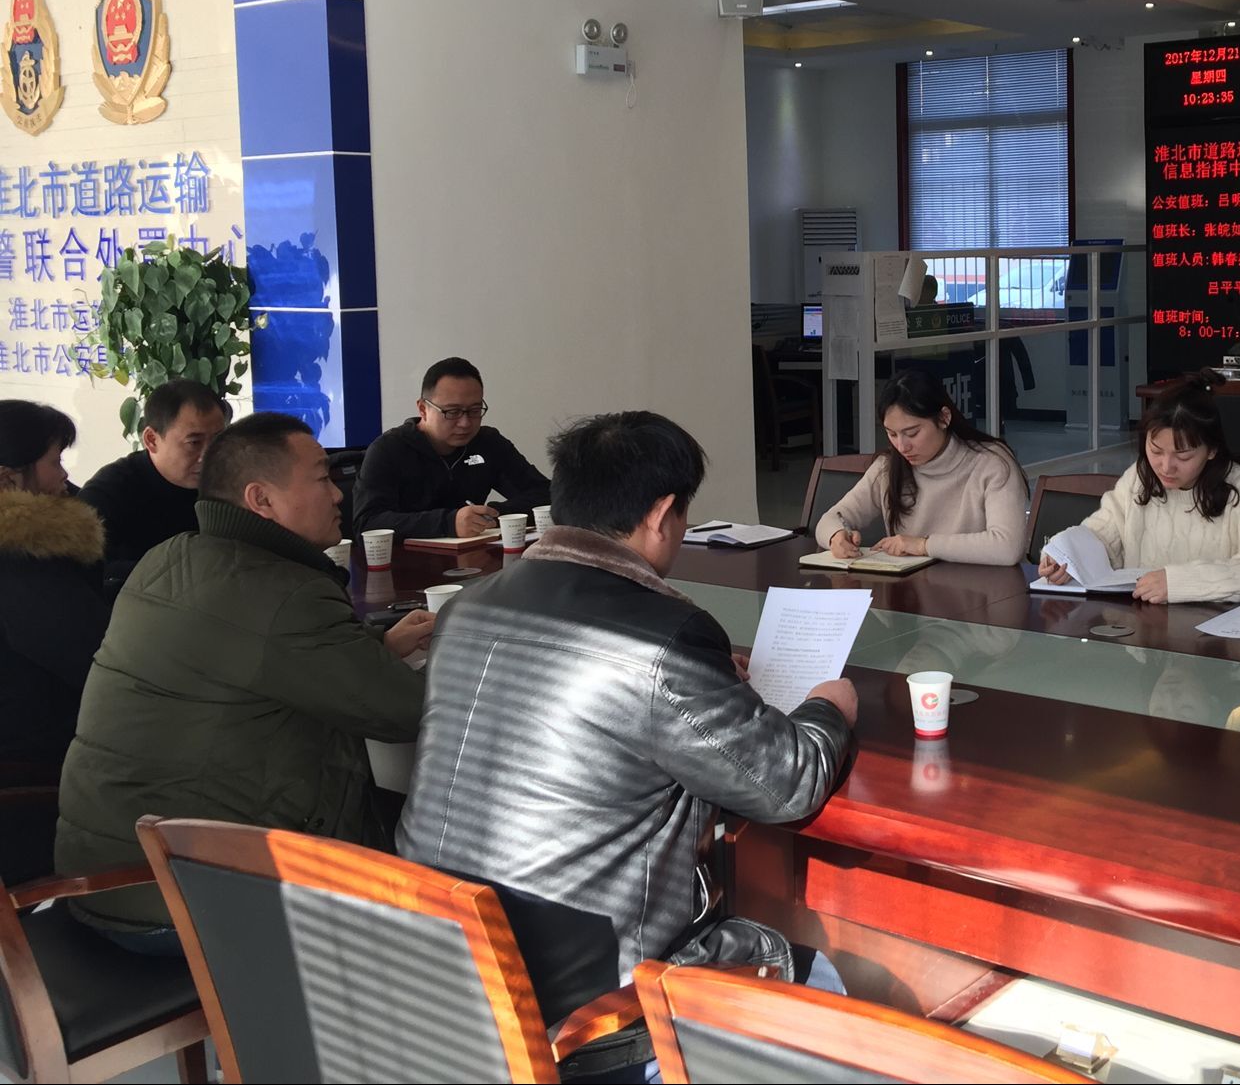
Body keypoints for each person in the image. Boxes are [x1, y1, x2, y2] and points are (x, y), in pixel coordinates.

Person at [398, 411, 856, 1078]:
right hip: (587, 1012)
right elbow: (788, 784)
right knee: (829, 988)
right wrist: (830, 705)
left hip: (444, 981)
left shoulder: (469, 606)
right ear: (663, 514)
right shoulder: (662, 634)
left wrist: (700, 683)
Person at [57, 412, 432, 952]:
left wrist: (372, 650)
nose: (338, 494)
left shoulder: (169, 556)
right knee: (440, 854)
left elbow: (256, 655)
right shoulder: (284, 591)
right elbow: (407, 713)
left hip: (103, 876)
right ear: (261, 500)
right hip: (189, 899)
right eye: (322, 478)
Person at [1037, 370, 1240, 604]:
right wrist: (1065, 556)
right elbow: (1102, 536)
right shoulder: (1140, 478)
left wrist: (1179, 583)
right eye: (1155, 451)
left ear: (1212, 450)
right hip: (1143, 630)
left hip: (1219, 634)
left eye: (1183, 456)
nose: (1165, 467)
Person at [0, 402, 110, 783]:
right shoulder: (24, 559)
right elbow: (97, 661)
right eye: (56, 461)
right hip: (36, 760)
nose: (64, 474)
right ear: (9, 479)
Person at [816, 372, 1029, 566]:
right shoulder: (888, 467)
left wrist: (922, 545)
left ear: (944, 418)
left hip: (983, 588)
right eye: (892, 434)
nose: (902, 446)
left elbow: (1007, 547)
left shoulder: (991, 463)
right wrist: (836, 536)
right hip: (911, 590)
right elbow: (829, 519)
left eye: (912, 433)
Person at [352, 356, 550, 540]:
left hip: (474, 556)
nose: (465, 423)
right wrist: (448, 523)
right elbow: (367, 523)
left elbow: (546, 494)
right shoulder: (388, 450)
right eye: (452, 412)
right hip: (407, 561)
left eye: (474, 410)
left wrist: (493, 514)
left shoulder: (488, 443)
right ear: (423, 409)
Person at [79, 377, 230, 579]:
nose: (209, 455)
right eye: (194, 443)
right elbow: (86, 570)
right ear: (151, 440)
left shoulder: (232, 480)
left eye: (218, 440)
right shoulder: (109, 492)